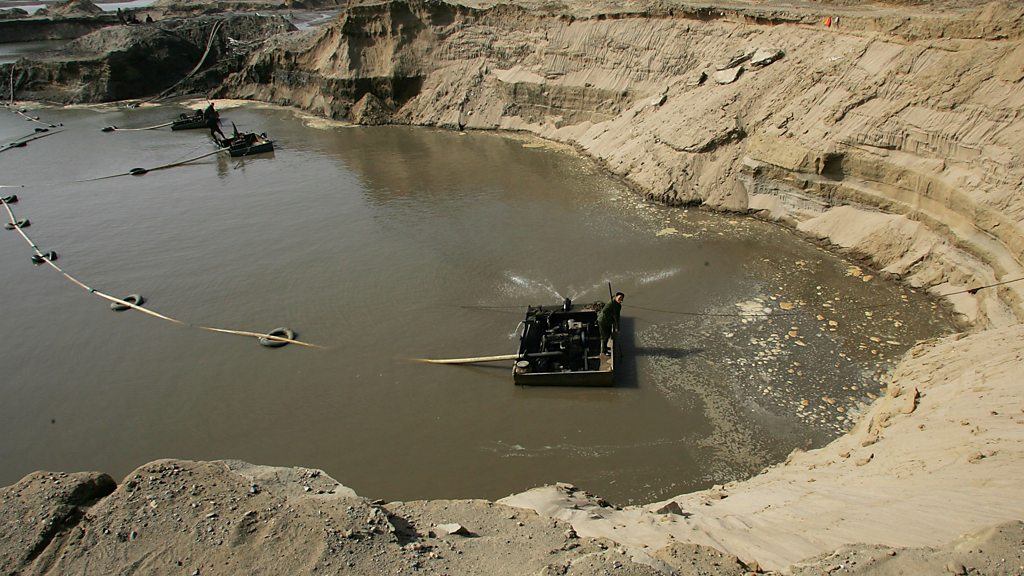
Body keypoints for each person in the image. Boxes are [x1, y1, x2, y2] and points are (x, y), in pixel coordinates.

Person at [598, 292, 624, 356]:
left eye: (622, 298)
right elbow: (604, 311)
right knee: (605, 336)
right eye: (620, 297)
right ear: (616, 297)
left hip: (609, 321)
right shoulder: (610, 303)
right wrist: (612, 314)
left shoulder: (618, 306)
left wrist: (617, 327)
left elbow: (617, 317)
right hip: (603, 320)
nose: (621, 299)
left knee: (609, 334)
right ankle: (604, 351)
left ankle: (606, 347)